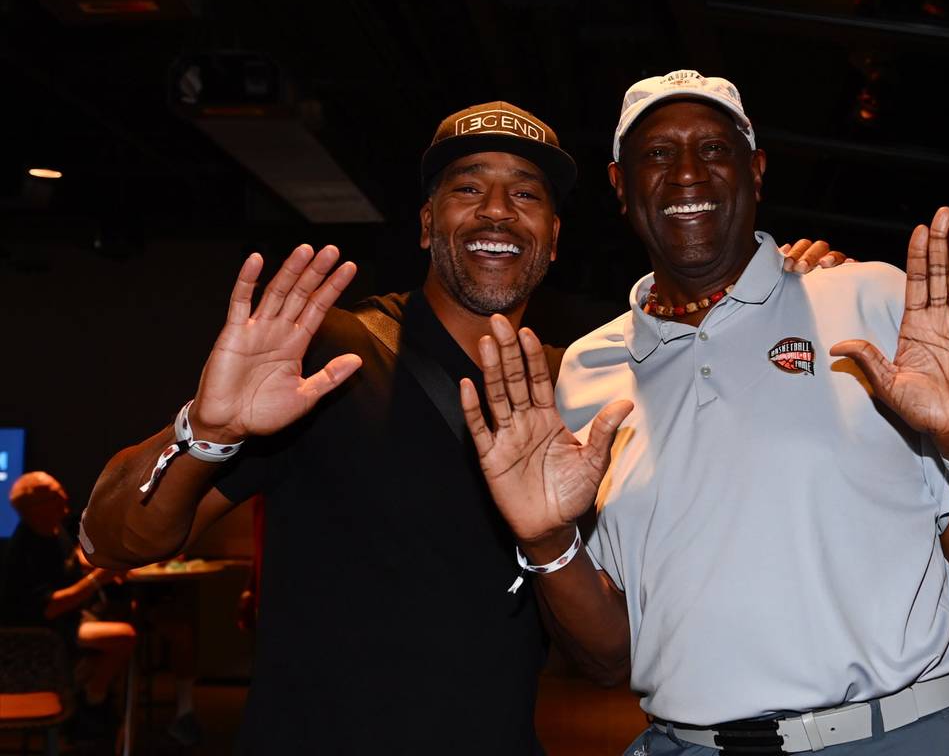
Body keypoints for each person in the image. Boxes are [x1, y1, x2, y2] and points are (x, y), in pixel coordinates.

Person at [78, 99, 846, 754]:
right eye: (466, 188)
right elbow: (114, 540)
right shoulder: (330, 358)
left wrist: (789, 289)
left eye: (526, 195)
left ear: (551, 239)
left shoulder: (576, 386)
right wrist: (205, 431)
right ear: (425, 224)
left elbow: (621, 635)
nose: (495, 212)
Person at [460, 70, 949, 756]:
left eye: (714, 148)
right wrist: (545, 543)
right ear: (620, 186)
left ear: (756, 170)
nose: (687, 174)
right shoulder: (589, 371)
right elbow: (609, 660)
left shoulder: (871, 302)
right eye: (657, 153)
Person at [0, 471, 136, 742]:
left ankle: (89, 693)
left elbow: (71, 559)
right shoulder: (24, 551)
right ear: (34, 508)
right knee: (124, 636)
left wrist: (100, 566)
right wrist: (100, 578)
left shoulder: (52, 530)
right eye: (54, 495)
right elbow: (50, 608)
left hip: (66, 621)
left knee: (125, 612)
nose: (65, 497)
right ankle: (91, 697)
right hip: (42, 635)